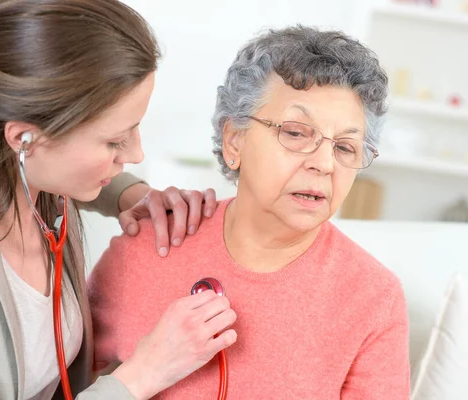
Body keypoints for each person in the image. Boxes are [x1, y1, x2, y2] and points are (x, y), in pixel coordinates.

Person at [0, 1, 237, 399]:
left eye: (135, 128)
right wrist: (143, 375)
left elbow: (75, 167)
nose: (136, 154)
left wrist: (136, 196)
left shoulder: (35, 185)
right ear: (23, 139)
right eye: (114, 140)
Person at [89, 26, 410, 399]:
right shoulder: (147, 246)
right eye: (295, 133)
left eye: (345, 147)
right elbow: (67, 387)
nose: (324, 163)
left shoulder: (375, 298)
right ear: (234, 141)